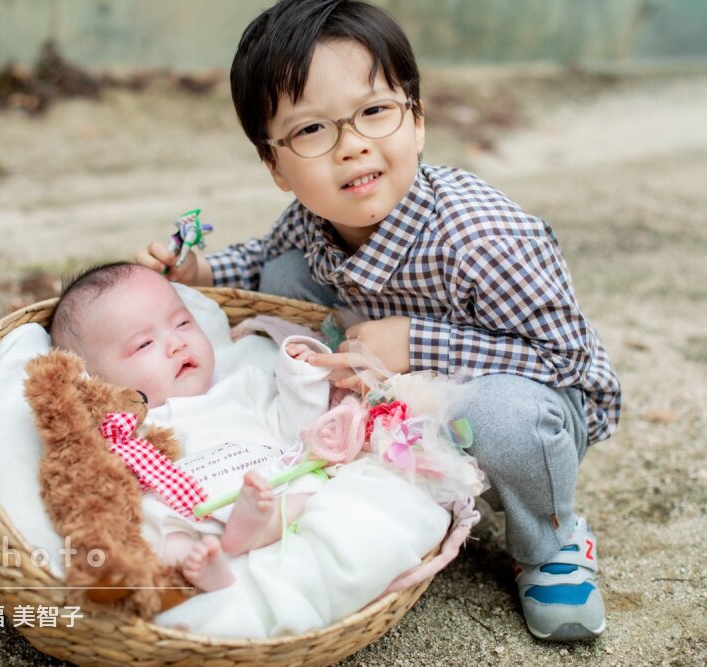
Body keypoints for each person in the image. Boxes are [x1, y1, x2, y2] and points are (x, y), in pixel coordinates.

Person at [137, 0, 622, 641]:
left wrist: (416, 343)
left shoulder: (483, 237)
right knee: (284, 273)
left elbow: (567, 361)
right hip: (393, 383)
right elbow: (260, 258)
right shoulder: (314, 217)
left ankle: (551, 542)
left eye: (374, 111)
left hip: (518, 397)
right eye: (312, 129)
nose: (352, 145)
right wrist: (200, 272)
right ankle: (355, 429)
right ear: (276, 166)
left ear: (416, 121)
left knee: (509, 421)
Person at [50, 261, 333, 592]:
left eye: (183, 323)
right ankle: (194, 567)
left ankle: (253, 530)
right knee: (151, 522)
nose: (176, 343)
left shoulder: (244, 385)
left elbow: (301, 429)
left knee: (310, 482)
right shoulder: (129, 430)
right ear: (99, 380)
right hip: (191, 509)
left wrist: (300, 375)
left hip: (266, 489)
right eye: (144, 344)